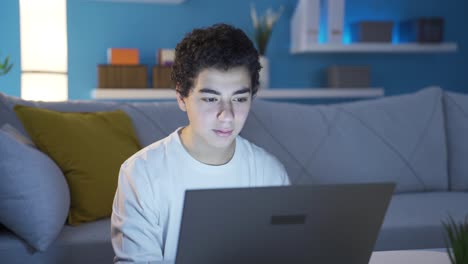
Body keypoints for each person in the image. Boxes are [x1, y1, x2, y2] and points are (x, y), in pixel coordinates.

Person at [111, 23, 290, 263]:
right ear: (182, 98)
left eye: (239, 98)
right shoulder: (141, 173)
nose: (226, 114)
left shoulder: (270, 172)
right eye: (210, 98)